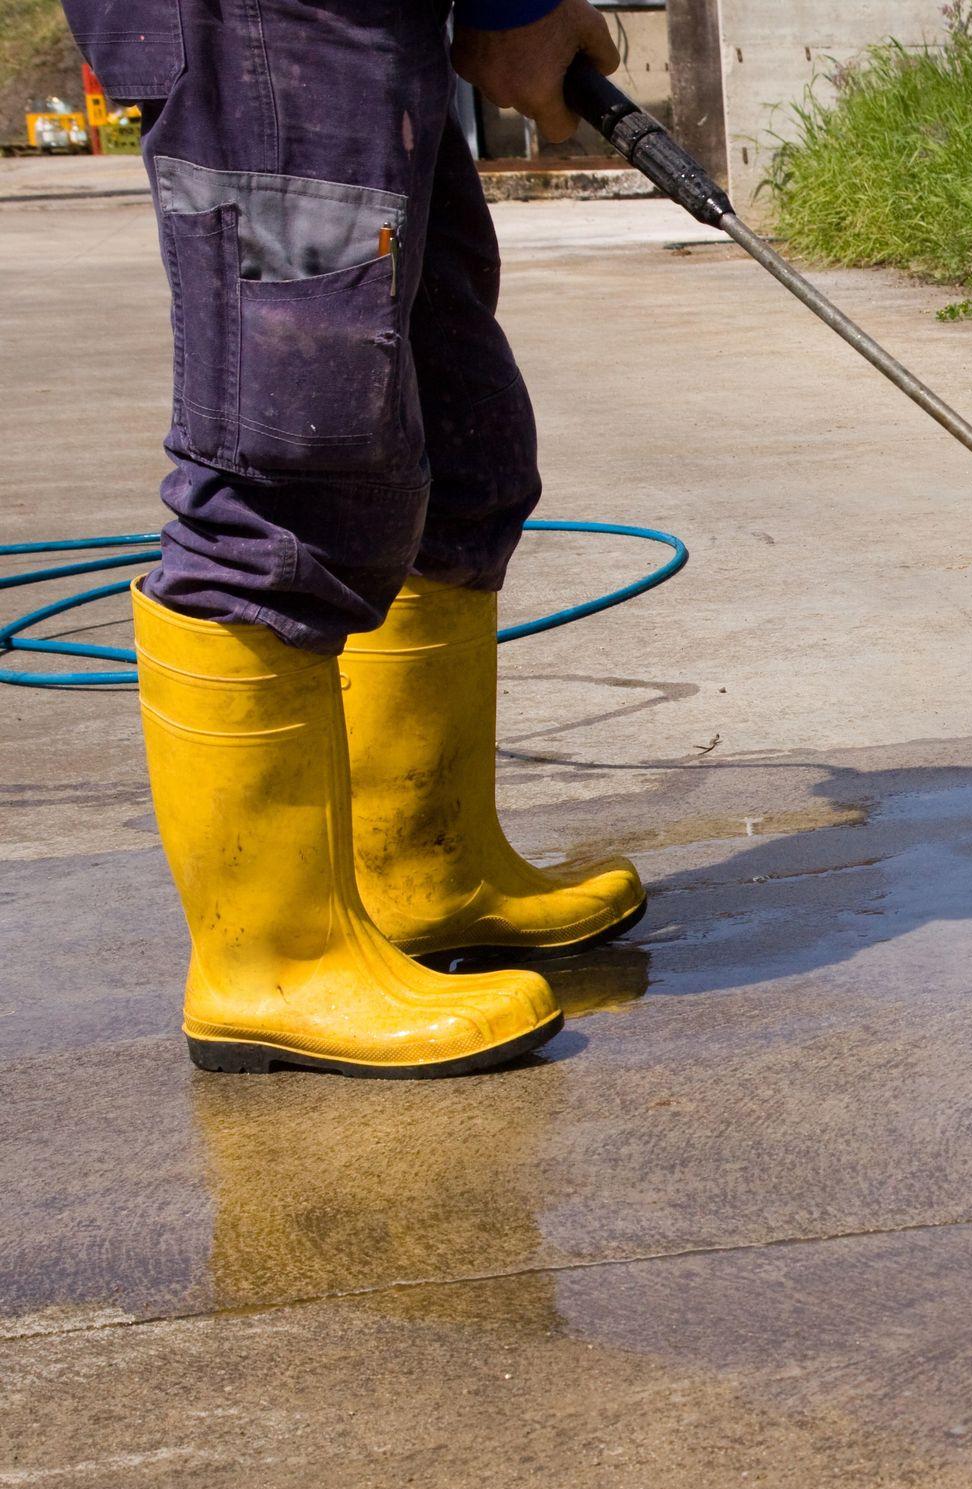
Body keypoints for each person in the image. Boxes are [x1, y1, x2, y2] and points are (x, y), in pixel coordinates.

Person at [61, 0, 644, 1076]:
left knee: (463, 442)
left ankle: (420, 870)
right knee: (296, 457)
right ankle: (273, 962)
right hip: (267, 27)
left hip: (356, 22)